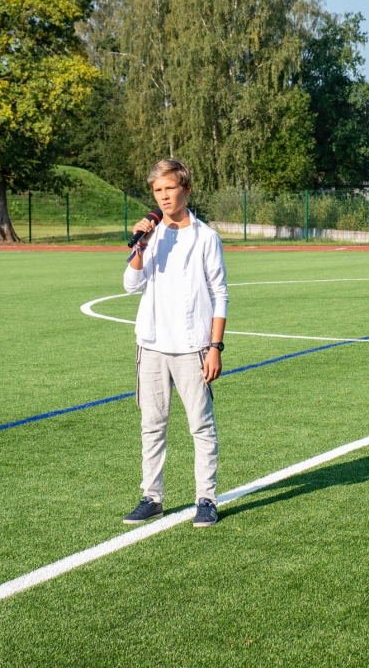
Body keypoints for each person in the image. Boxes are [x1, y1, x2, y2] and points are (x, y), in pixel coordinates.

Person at [122, 158, 228, 528]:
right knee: (152, 424)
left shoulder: (205, 237)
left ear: (186, 189)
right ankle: (152, 497)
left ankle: (206, 499)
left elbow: (220, 294)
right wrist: (141, 247)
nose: (164, 196)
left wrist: (215, 347)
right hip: (151, 345)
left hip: (193, 347)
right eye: (157, 191)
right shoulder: (150, 237)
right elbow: (130, 285)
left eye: (170, 188)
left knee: (201, 425)